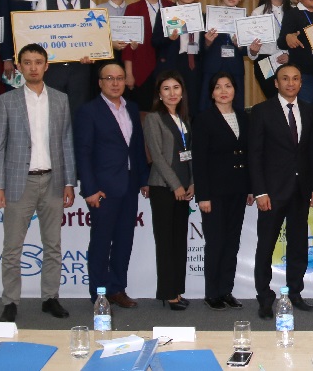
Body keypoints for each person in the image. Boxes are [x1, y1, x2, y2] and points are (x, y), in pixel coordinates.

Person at [0, 43, 77, 323]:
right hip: (19, 182)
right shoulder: (7, 101)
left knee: (53, 245)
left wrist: (69, 182)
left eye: (38, 62)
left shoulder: (60, 99)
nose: (33, 67)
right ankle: (10, 301)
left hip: (53, 180)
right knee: (12, 248)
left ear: (46, 66)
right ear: (19, 67)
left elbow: (66, 142)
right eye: (27, 62)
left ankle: (50, 297)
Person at [249, 63, 313, 320]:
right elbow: (255, 154)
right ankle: (264, 296)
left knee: (298, 244)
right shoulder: (261, 111)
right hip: (271, 192)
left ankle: (295, 292)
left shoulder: (309, 110)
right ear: (276, 83)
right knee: (266, 246)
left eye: (295, 78)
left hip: (301, 190)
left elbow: (312, 152)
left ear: (301, 83)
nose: (291, 83)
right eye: (285, 79)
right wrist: (260, 192)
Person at [74, 62, 149, 307]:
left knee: (124, 240)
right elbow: (83, 153)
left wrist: (143, 180)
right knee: (101, 242)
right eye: (109, 78)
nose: (115, 83)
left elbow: (136, 148)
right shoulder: (88, 111)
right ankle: (99, 294)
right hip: (103, 189)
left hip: (129, 185)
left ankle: (117, 289)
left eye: (119, 78)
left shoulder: (132, 108)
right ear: (100, 83)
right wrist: (89, 189)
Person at [194, 72, 253, 310]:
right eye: (218, 87)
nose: (223, 91)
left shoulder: (243, 117)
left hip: (238, 190)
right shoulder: (204, 119)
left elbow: (248, 155)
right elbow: (199, 161)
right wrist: (203, 196)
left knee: (232, 242)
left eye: (228, 86)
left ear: (235, 90)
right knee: (216, 242)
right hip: (214, 193)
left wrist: (251, 188)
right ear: (211, 93)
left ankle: (226, 290)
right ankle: (212, 293)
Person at [143, 70, 195, 311]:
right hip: (164, 188)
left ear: (182, 92)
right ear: (159, 94)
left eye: (176, 88)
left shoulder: (184, 119)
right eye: (166, 89)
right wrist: (176, 185)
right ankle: (167, 292)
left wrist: (192, 182)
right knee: (165, 242)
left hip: (184, 188)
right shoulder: (154, 118)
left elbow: (189, 154)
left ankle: (177, 290)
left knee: (179, 241)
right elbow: (157, 156)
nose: (172, 93)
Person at [36, 0, 96, 115]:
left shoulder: (90, 5)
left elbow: (95, 38)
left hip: (80, 69)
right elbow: (37, 36)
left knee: (79, 114)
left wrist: (93, 54)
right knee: (53, 114)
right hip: (53, 69)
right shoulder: (44, 3)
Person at [123, 0, 174, 109]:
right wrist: (128, 73)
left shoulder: (171, 7)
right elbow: (127, 46)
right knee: (143, 111)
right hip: (141, 69)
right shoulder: (133, 9)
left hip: (167, 68)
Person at [152, 0, 203, 116]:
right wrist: (169, 38)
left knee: (193, 108)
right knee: (172, 108)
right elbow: (155, 41)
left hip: (194, 66)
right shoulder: (166, 13)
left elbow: (204, 47)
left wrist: (209, 42)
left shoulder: (202, 16)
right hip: (173, 65)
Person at [200, 0, 248, 112]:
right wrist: (207, 43)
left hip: (234, 68)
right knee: (208, 109)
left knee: (236, 108)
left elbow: (247, 51)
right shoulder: (207, 17)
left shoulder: (244, 19)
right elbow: (199, 48)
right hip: (212, 67)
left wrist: (239, 44)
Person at [249, 0, 292, 99]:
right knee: (274, 101)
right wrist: (253, 51)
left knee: (290, 100)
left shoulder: (294, 12)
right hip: (265, 62)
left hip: (289, 61)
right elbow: (251, 50)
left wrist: (290, 55)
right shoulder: (258, 13)